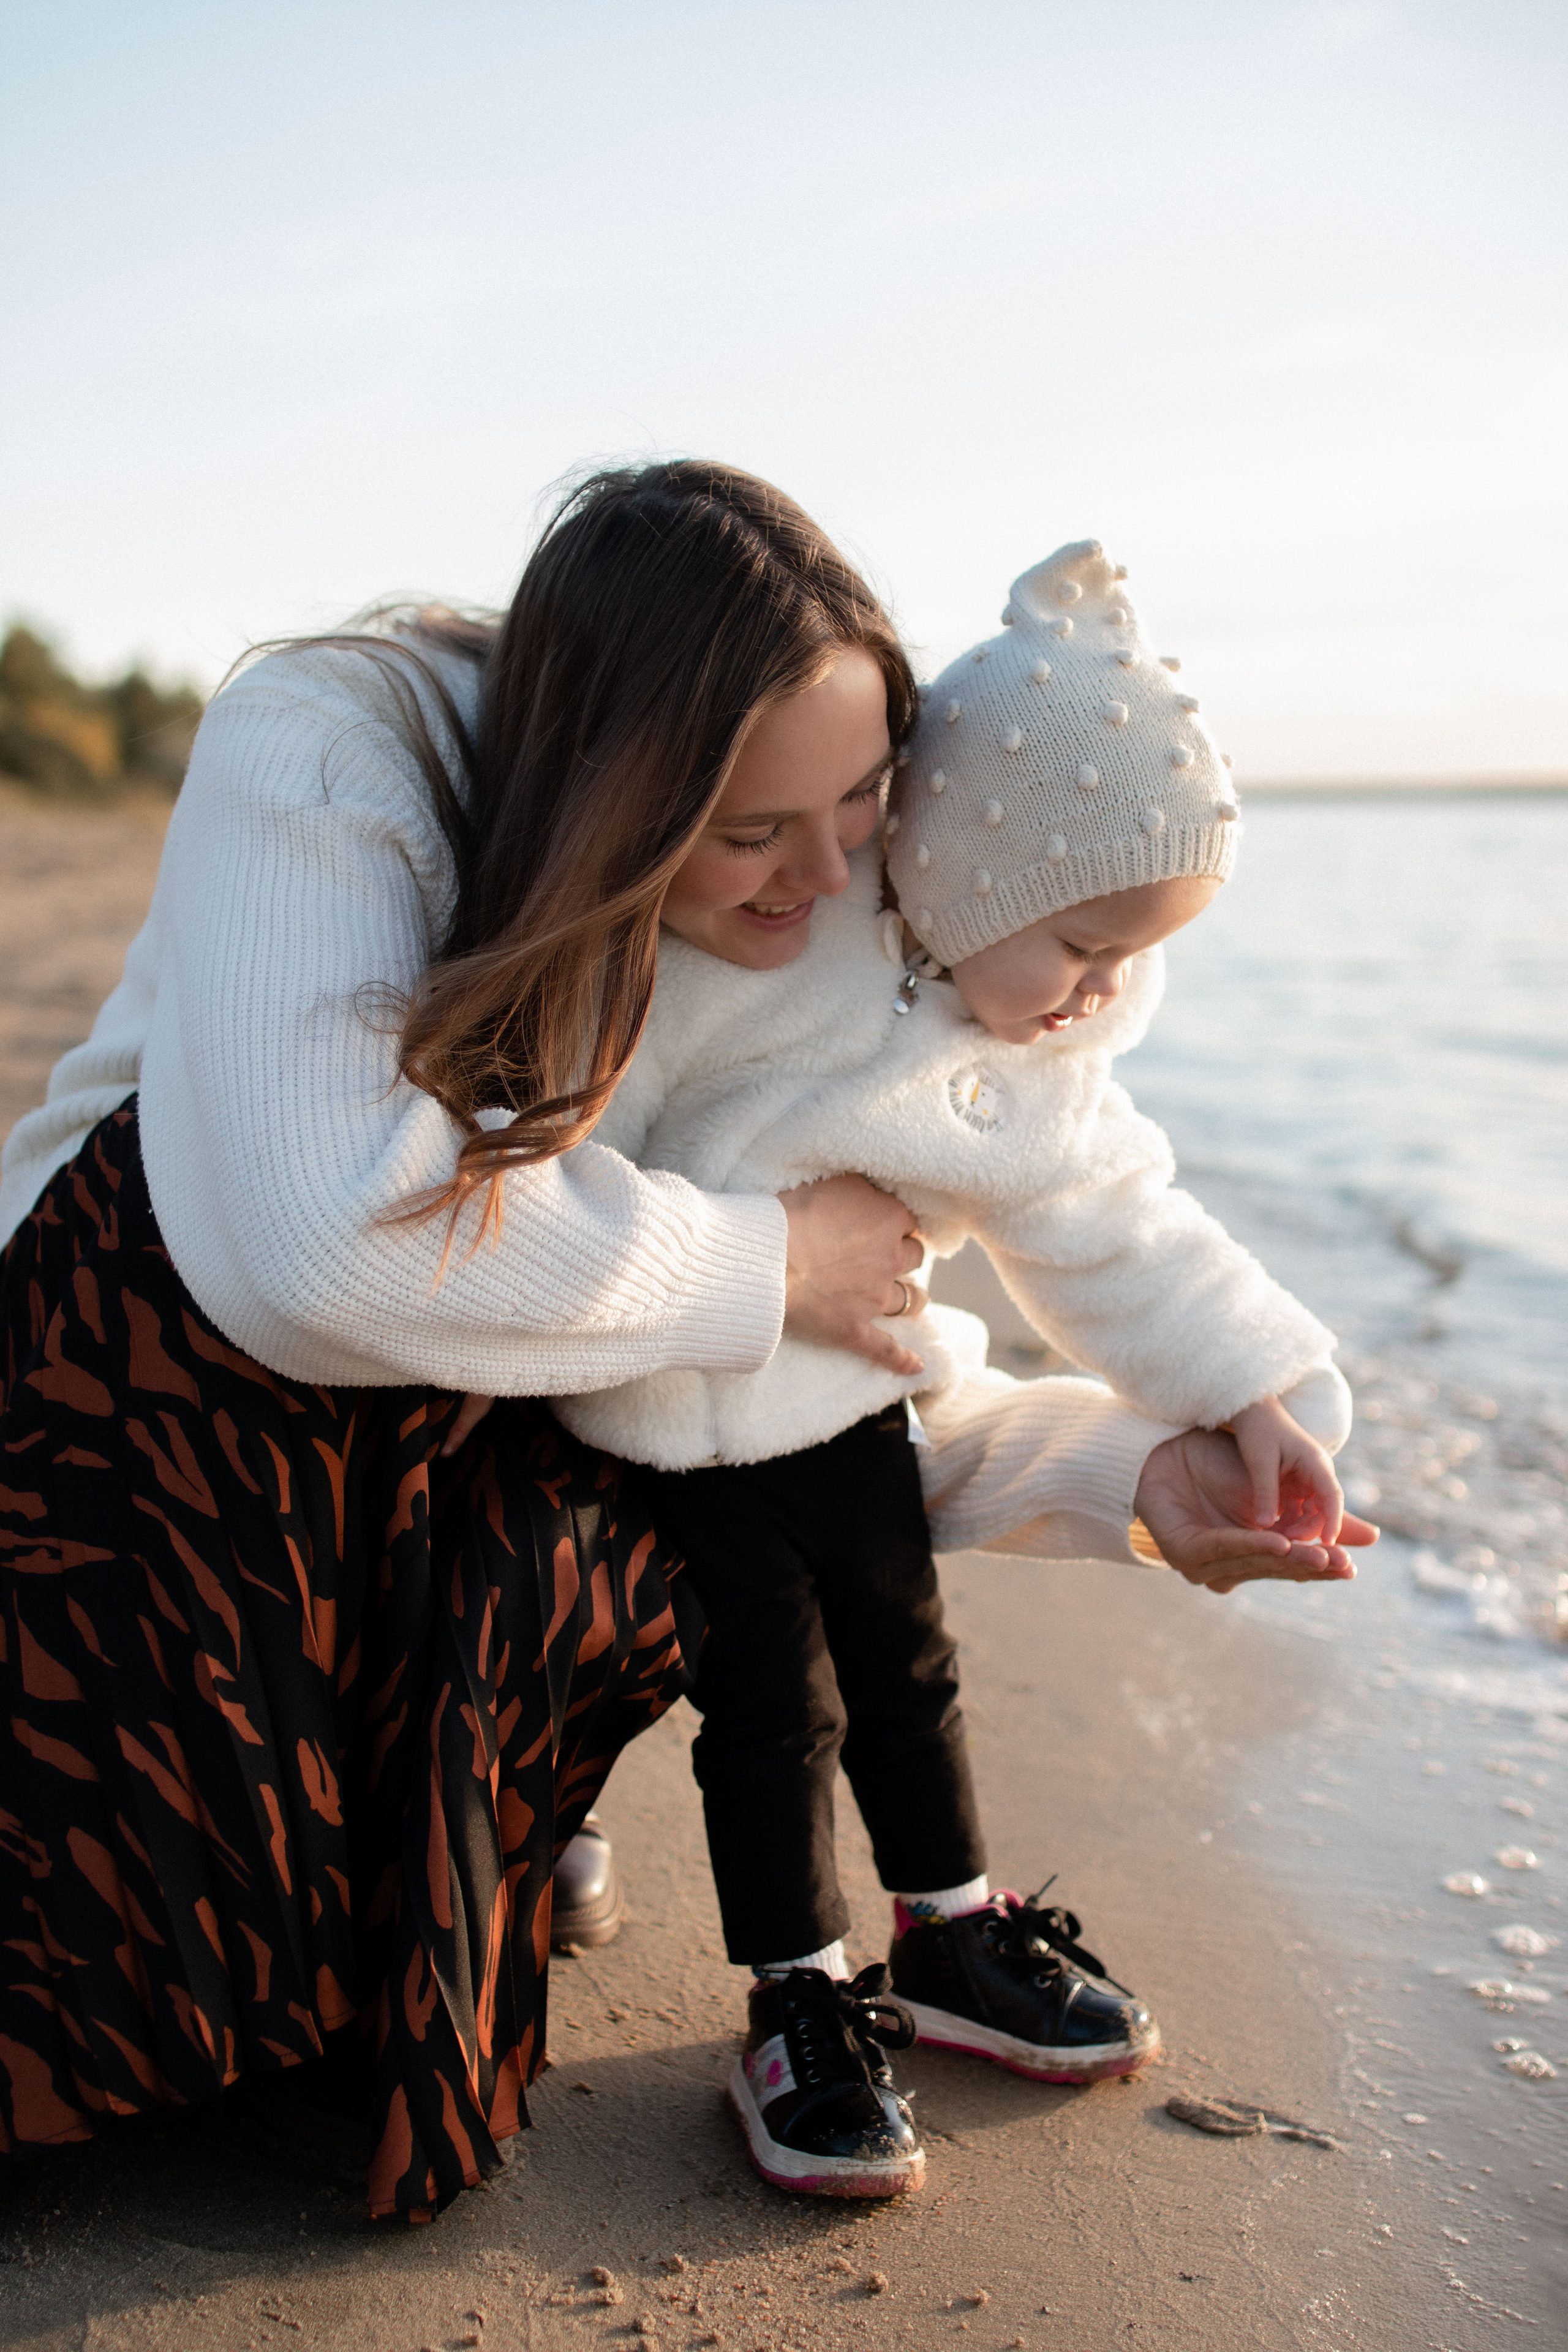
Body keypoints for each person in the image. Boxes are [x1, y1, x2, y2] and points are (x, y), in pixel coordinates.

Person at [0, 464, 1365, 2223]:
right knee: (132, 2021)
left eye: (868, 799)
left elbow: (776, 1389)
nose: (831, 877)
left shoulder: (790, 928)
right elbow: (315, 1253)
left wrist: (1136, 1464)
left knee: (407, 2024)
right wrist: (772, 1261)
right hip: (148, 1385)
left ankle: (469, 1811)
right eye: (747, 829)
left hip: (489, 1374)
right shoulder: (339, 742)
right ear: (606, 788)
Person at [537, 538, 1377, 2198]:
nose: (1105, 995)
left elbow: (1117, 1225)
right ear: (979, 884)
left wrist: (1256, 1393)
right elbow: (572, 1143)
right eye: (1081, 945)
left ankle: (950, 1927)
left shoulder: (1028, 1064)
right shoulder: (754, 951)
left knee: (910, 1680)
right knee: (770, 1722)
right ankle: (793, 1996)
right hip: (669, 1428)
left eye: (1143, 956)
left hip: (853, 1408)